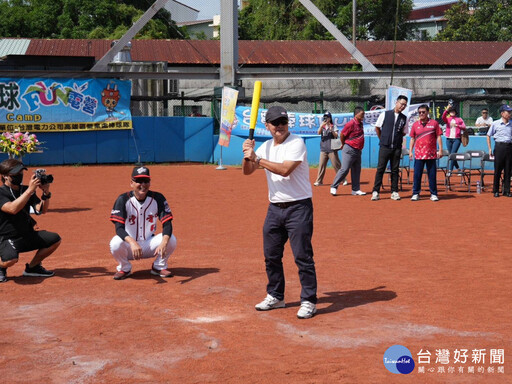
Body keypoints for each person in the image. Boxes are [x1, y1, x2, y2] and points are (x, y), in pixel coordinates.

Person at [242, 105, 318, 319]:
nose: (280, 126)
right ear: (267, 126)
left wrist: (257, 158)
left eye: (283, 122)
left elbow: (285, 170)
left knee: (303, 256)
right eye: (275, 123)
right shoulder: (265, 147)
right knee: (271, 256)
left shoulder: (297, 143)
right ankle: (276, 296)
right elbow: (247, 172)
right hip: (275, 208)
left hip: (298, 207)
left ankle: (309, 300)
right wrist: (247, 154)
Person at [109, 166, 177, 280]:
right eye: (139, 181)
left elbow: (167, 223)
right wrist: (132, 243)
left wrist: (164, 242)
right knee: (115, 243)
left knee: (171, 239)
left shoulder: (158, 198)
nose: (143, 184)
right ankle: (124, 268)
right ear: (131, 183)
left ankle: (158, 266)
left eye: (146, 181)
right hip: (130, 247)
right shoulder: (123, 199)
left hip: (150, 244)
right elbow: (119, 228)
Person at [0, 159, 61, 283]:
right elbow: (12, 209)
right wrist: (29, 191)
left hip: (26, 235)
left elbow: (41, 210)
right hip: (6, 238)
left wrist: (46, 193)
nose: (20, 176)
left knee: (54, 239)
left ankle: (33, 267)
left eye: (21, 172)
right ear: (5, 176)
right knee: (10, 260)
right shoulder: (1, 193)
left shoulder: (26, 190)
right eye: (16, 174)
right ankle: (1, 267)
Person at [370, 95, 409, 201]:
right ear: (396, 102)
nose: (402, 106)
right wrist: (383, 139)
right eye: (401, 104)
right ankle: (375, 192)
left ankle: (394, 192)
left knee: (395, 170)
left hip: (396, 148)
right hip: (384, 147)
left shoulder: (404, 118)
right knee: (380, 169)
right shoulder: (385, 114)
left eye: (405, 105)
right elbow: (377, 128)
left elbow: (404, 133)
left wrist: (396, 140)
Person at [409, 105, 444, 201]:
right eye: (419, 112)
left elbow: (438, 137)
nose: (421, 114)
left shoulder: (434, 123)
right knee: (417, 174)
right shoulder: (415, 125)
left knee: (432, 175)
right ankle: (415, 193)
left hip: (431, 154)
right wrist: (410, 151)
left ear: (428, 112)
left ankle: (433, 194)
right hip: (419, 154)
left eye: (423, 112)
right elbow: (412, 138)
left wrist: (440, 150)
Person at [330, 106, 366, 196]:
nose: (363, 116)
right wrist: (343, 144)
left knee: (356, 170)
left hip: (358, 150)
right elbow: (342, 134)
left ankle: (355, 189)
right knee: (345, 169)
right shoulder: (350, 123)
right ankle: (334, 186)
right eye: (362, 114)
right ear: (356, 114)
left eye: (364, 114)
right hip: (349, 149)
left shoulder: (360, 124)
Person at [486, 104, 512, 198]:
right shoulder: (495, 123)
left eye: (510, 112)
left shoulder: (511, 123)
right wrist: (489, 149)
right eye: (507, 112)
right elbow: (488, 135)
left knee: (508, 170)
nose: (509, 113)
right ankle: (496, 190)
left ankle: (507, 191)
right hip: (499, 147)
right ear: (502, 113)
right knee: (497, 170)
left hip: (509, 147)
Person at [313, 111, 343, 186]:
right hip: (323, 149)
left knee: (336, 165)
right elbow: (318, 133)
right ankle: (319, 181)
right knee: (321, 166)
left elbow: (336, 135)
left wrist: (331, 129)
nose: (326, 119)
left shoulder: (333, 126)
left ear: (330, 118)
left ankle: (343, 179)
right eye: (325, 117)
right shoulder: (322, 125)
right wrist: (321, 126)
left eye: (327, 117)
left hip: (332, 149)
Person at [442, 103, 467, 176]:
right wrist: (447, 109)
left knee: (453, 154)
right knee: (451, 155)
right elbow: (443, 117)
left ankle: (450, 170)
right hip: (449, 139)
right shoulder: (448, 119)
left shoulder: (459, 119)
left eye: (453, 111)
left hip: (457, 139)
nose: (452, 112)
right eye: (451, 111)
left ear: (456, 112)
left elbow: (464, 127)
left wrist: (457, 125)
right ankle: (459, 169)